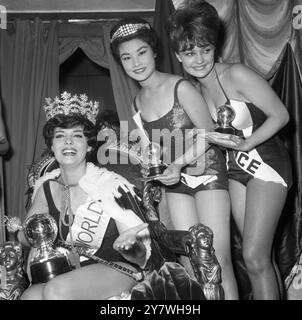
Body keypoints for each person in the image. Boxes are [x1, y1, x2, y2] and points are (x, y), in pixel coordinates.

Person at [167, 1, 292, 299]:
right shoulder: (193, 91)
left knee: (253, 255)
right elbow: (206, 138)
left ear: (214, 47)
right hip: (235, 170)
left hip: (267, 163)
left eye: (205, 49)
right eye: (189, 53)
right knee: (260, 259)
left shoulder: (236, 74)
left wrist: (247, 143)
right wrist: (177, 165)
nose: (199, 59)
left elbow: (282, 115)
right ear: (178, 56)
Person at [110, 17, 239, 299]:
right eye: (127, 57)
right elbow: (154, 150)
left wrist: (179, 163)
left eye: (142, 52)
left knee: (217, 259)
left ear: (154, 51)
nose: (136, 63)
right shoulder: (136, 103)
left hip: (207, 172)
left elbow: (210, 133)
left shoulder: (181, 87)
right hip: (176, 182)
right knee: (189, 262)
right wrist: (154, 168)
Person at [16, 91, 153, 300]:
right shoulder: (46, 188)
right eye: (60, 136)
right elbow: (25, 238)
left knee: (56, 291)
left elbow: (143, 256)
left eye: (77, 136)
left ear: (89, 145)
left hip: (118, 267)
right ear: (52, 147)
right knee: (30, 297)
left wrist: (132, 247)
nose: (68, 142)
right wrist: (28, 232)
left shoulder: (111, 186)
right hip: (69, 271)